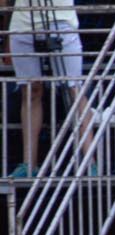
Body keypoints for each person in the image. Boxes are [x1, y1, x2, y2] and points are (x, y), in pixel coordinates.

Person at [6, 0, 86, 177]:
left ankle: (91, 163)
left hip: (61, 19)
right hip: (23, 23)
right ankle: (29, 164)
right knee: (30, 91)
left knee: (73, 90)